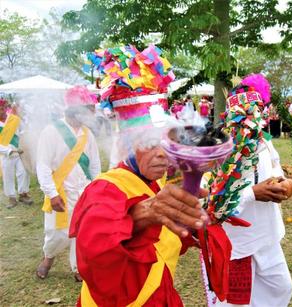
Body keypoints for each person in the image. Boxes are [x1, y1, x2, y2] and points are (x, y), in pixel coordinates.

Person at [70, 44, 208, 306]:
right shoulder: (104, 190)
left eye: (165, 142)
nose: (160, 154)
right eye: (147, 143)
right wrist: (140, 217)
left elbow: (167, 238)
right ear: (125, 145)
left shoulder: (161, 182)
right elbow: (94, 256)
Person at [211, 74, 292, 307]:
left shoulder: (265, 141)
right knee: (236, 303)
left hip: (268, 237)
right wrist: (252, 193)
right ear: (230, 117)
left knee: (281, 289)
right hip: (239, 246)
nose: (250, 121)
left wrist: (287, 185)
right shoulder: (220, 149)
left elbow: (278, 171)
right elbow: (212, 204)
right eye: (243, 116)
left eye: (256, 114)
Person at [36, 86, 101, 281]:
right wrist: (52, 193)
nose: (92, 114)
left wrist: (95, 187)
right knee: (58, 233)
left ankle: (77, 267)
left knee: (83, 230)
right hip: (61, 192)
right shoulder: (51, 131)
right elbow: (43, 165)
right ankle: (48, 256)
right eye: (89, 109)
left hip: (84, 190)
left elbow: (95, 163)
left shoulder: (87, 134)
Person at [0, 99, 32, 208]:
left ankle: (23, 194)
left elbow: (22, 130)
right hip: (6, 155)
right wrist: (9, 151)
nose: (2, 110)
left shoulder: (13, 119)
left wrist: (24, 140)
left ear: (5, 108)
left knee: (23, 173)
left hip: (20, 152)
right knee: (7, 175)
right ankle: (12, 198)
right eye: (0, 109)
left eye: (3, 108)